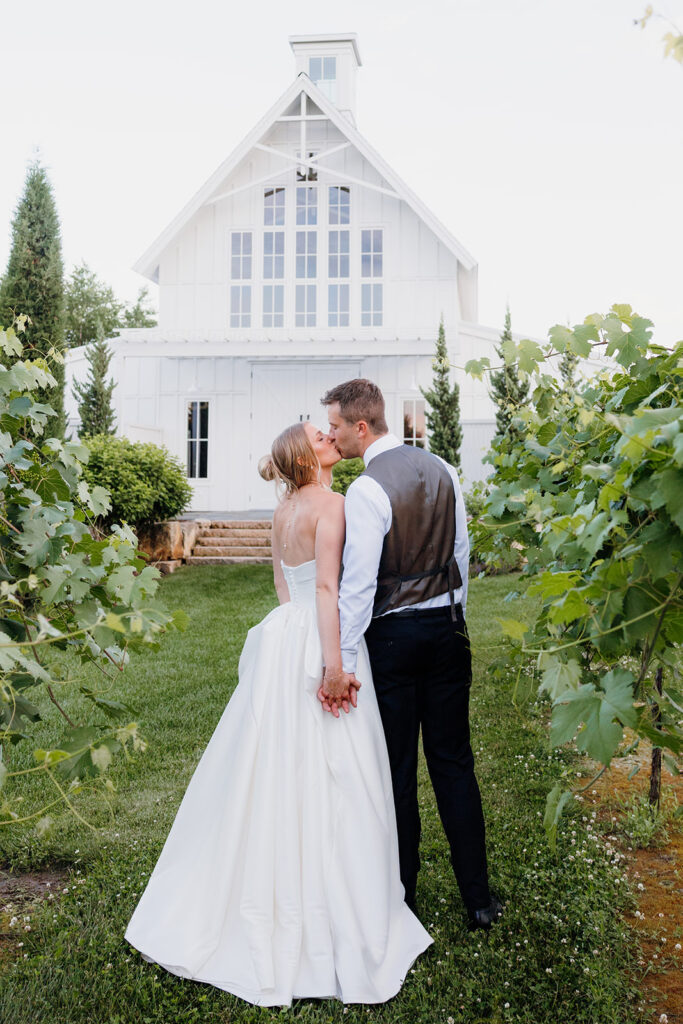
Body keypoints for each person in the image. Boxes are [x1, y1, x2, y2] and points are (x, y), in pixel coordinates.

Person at [124, 420, 432, 1007]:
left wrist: (290, 643)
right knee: (338, 770)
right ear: (308, 456)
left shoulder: (283, 509)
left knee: (273, 765)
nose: (331, 438)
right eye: (321, 436)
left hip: (283, 637)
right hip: (319, 640)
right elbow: (324, 589)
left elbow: (282, 589)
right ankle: (331, 910)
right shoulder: (332, 504)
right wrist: (332, 663)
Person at [319, 379, 502, 931]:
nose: (331, 435)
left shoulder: (366, 490)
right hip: (448, 632)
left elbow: (357, 586)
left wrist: (341, 663)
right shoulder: (443, 469)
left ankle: (402, 899)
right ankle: (478, 899)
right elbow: (462, 554)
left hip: (394, 641)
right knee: (454, 763)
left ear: (361, 425)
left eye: (334, 425)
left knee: (396, 771)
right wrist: (455, 615)